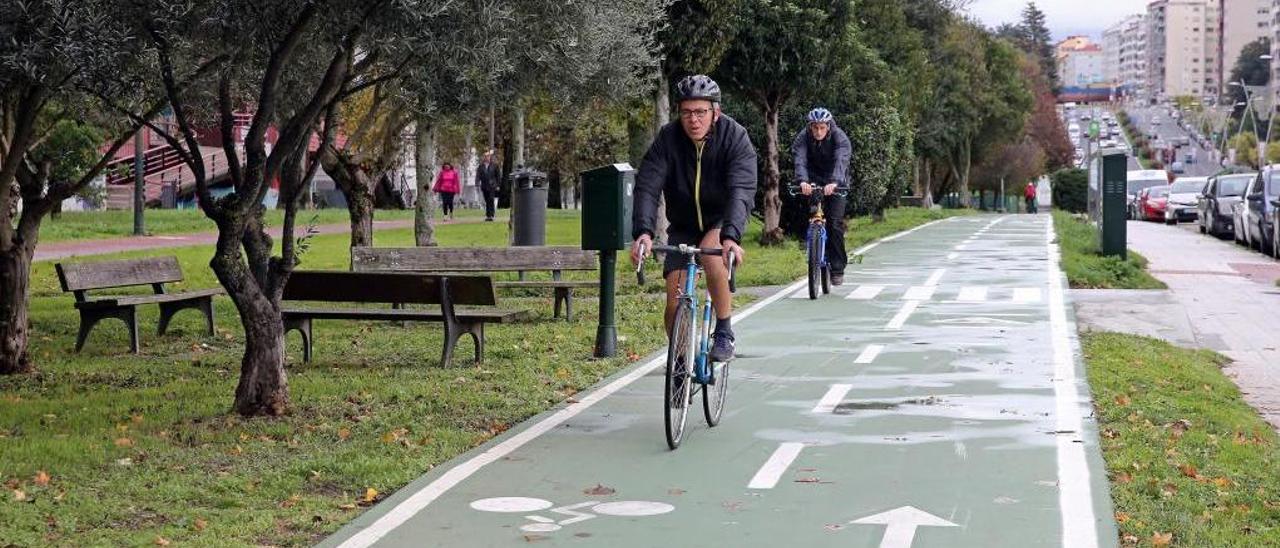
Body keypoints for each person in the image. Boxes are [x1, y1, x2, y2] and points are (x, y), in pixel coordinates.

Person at [630, 74, 758, 363]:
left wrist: (732, 237)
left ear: (716, 112)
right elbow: (648, 186)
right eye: (686, 112)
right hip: (684, 225)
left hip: (721, 220)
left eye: (701, 112)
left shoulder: (735, 137)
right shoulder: (668, 138)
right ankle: (680, 360)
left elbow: (742, 189)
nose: (694, 120)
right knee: (674, 303)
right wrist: (644, 233)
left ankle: (724, 330)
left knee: (713, 256)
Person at [792, 107, 852, 285]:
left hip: (836, 180)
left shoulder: (839, 137)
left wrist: (834, 182)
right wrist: (802, 181)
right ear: (810, 126)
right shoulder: (802, 138)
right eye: (815, 127)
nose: (818, 131)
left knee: (834, 223)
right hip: (812, 181)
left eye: (822, 128)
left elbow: (841, 160)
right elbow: (800, 159)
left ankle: (838, 267)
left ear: (828, 127)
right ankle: (810, 245)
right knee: (804, 213)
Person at [477, 149, 500, 221]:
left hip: (492, 185)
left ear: (490, 157)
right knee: (487, 200)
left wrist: (498, 185)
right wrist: (477, 182)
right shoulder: (481, 166)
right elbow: (478, 175)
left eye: (488, 156)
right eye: (485, 156)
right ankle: (488, 215)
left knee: (491, 199)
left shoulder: (495, 165)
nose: (486, 158)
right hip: (484, 185)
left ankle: (491, 215)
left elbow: (498, 176)